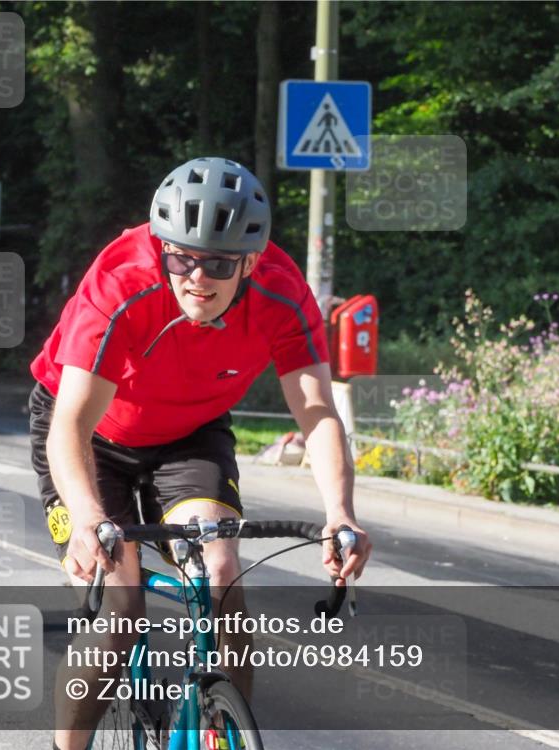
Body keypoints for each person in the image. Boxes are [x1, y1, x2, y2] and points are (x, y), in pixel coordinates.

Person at [28, 157, 372, 750]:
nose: (197, 277)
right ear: (161, 247)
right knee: (121, 608)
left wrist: (340, 512)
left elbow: (316, 412)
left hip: (190, 430)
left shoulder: (281, 294)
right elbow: (70, 427)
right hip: (89, 437)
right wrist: (88, 519)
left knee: (219, 571)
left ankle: (220, 729)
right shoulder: (121, 281)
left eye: (218, 263)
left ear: (251, 261)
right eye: (182, 257)